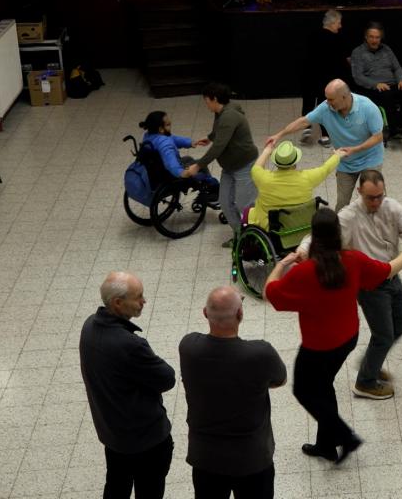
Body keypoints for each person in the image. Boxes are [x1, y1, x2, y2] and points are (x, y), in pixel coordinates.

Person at [264, 208, 402, 464]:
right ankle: (326, 445)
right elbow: (389, 269)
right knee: (323, 386)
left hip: (318, 347)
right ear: (338, 235)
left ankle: (345, 437)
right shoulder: (353, 260)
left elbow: (270, 293)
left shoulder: (304, 272)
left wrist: (282, 264)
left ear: (313, 237)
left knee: (304, 391)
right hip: (347, 338)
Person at [296, 169, 402, 400]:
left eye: (380, 196)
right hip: (369, 286)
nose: (376, 202)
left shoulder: (393, 207)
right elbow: (320, 237)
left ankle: (370, 363)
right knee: (384, 335)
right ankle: (365, 382)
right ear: (359, 192)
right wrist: (303, 249)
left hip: (392, 275)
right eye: (370, 197)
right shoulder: (349, 216)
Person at [179, 286, 287, 499]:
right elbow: (280, 380)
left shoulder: (189, 346)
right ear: (240, 314)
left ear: (204, 313)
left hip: (205, 457)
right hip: (252, 458)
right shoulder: (260, 353)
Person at [80, 272, 176, 499]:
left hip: (112, 434)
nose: (144, 301)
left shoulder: (89, 326)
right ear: (117, 303)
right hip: (146, 440)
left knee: (116, 484)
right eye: (138, 296)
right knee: (149, 490)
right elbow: (167, 378)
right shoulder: (130, 345)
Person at [268, 79, 385, 208]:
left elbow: (378, 137)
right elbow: (303, 122)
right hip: (345, 162)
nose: (327, 103)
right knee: (342, 203)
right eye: (327, 99)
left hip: (370, 159)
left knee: (369, 200)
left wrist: (356, 149)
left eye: (331, 99)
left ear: (344, 97)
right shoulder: (325, 108)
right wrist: (279, 135)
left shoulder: (367, 107)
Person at [185, 83, 259, 247]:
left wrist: (197, 166)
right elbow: (219, 131)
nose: (205, 103)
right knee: (225, 202)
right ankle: (242, 237)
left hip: (244, 165)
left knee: (244, 204)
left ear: (215, 99)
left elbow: (218, 148)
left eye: (206, 100)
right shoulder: (221, 111)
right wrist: (211, 137)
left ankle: (256, 237)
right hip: (229, 167)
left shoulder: (229, 115)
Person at [350, 22, 402, 145]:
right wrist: (376, 84)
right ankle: (395, 127)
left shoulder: (386, 49)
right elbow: (358, 77)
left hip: (392, 84)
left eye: (377, 37)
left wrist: (401, 80)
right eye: (371, 37)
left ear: (381, 38)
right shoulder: (358, 53)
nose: (374, 40)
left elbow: (397, 68)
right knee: (387, 96)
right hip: (373, 88)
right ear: (366, 37)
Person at [248, 139, 346, 230]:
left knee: (250, 212)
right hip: (300, 227)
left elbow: (256, 168)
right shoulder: (307, 178)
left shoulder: (264, 179)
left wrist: (267, 150)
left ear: (276, 163)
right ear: (295, 163)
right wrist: (337, 155)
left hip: (272, 229)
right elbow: (325, 169)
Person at [138, 111, 219, 204]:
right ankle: (213, 188)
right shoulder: (165, 144)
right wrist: (182, 173)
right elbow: (170, 163)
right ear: (160, 129)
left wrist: (191, 142)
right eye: (168, 124)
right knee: (201, 163)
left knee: (188, 158)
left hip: (157, 169)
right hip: (171, 174)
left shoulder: (149, 136)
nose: (170, 126)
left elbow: (173, 138)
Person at [302, 9, 348, 147]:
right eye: (339, 23)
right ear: (333, 23)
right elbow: (340, 61)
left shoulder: (312, 35)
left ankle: (306, 128)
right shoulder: (336, 39)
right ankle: (325, 136)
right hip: (327, 79)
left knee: (308, 102)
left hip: (310, 75)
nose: (340, 26)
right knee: (325, 106)